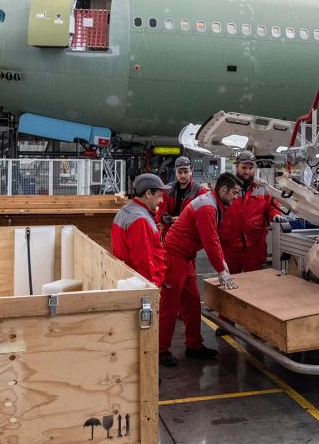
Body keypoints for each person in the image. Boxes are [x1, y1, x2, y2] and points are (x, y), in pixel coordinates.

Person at [160, 172, 242, 367]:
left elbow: (214, 239)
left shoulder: (213, 204)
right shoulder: (207, 207)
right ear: (223, 190)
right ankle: (160, 350)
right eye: (235, 193)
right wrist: (221, 270)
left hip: (186, 257)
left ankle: (194, 346)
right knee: (169, 306)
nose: (236, 197)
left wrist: (222, 264)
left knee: (192, 303)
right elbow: (210, 241)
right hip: (174, 256)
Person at [220, 150, 283, 275]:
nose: (247, 171)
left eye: (250, 168)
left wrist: (275, 215)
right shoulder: (224, 188)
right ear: (236, 167)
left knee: (254, 283)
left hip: (254, 245)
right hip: (230, 244)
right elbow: (215, 210)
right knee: (231, 282)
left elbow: (271, 206)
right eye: (244, 167)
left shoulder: (262, 188)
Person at [110, 173, 169, 285]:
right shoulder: (140, 220)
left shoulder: (126, 210)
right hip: (141, 283)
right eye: (160, 196)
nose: (161, 201)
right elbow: (143, 261)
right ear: (148, 194)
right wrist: (151, 286)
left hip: (128, 279)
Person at [157, 156, 205, 236]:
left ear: (191, 172)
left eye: (186, 172)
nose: (183, 175)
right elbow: (161, 211)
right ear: (175, 172)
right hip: (170, 234)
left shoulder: (199, 191)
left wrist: (182, 219)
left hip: (189, 235)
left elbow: (201, 216)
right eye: (179, 172)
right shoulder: (167, 189)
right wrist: (163, 218)